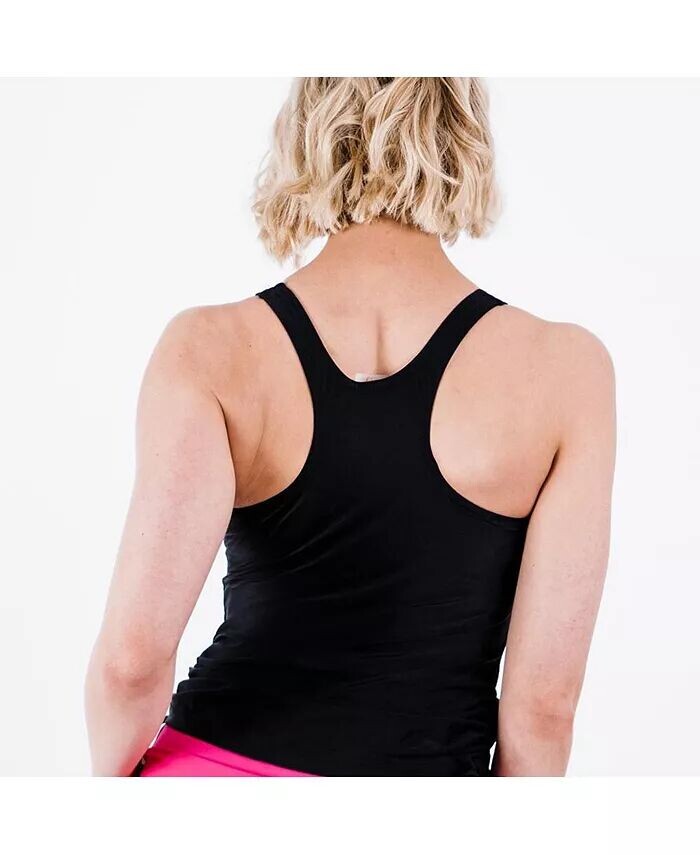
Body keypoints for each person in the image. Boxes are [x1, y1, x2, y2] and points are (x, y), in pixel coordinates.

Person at [85, 77, 616, 776]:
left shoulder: (210, 348)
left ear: (309, 134)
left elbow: (130, 664)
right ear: (461, 137)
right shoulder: (565, 370)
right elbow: (544, 707)